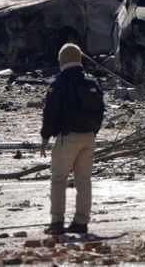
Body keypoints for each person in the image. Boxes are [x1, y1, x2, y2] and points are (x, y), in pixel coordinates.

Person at [40, 43, 105, 235]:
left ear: (61, 60)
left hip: (67, 138)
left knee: (59, 180)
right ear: (79, 59)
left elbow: (50, 113)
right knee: (84, 180)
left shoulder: (58, 83)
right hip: (89, 137)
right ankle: (81, 222)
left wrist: (45, 137)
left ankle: (57, 222)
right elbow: (102, 110)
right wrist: (94, 132)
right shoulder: (92, 81)